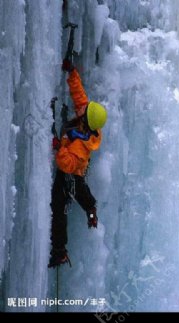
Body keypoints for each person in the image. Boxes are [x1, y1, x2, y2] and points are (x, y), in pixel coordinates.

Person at [48, 59, 107, 268]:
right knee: (84, 199)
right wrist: (72, 72)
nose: (82, 109)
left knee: (59, 208)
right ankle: (91, 210)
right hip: (73, 168)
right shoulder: (87, 122)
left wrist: (58, 147)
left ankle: (59, 252)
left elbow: (67, 165)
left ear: (86, 121)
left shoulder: (82, 148)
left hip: (71, 176)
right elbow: (80, 98)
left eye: (85, 111)